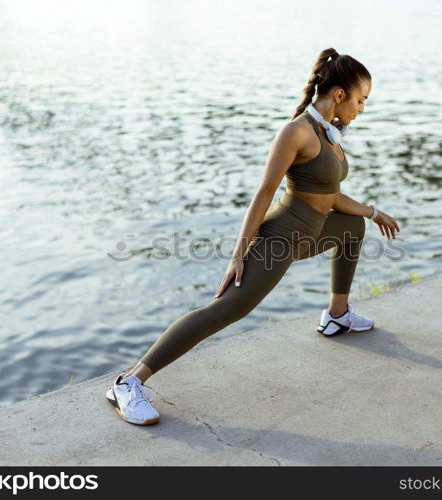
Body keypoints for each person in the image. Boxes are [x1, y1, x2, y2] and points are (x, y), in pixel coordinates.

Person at [106, 48, 401, 426]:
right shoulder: (297, 132)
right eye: (361, 100)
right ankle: (128, 383)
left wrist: (373, 212)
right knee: (227, 309)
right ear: (340, 95)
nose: (363, 108)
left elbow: (330, 197)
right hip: (280, 237)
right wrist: (238, 254)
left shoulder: (330, 135)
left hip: (308, 233)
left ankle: (338, 315)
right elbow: (264, 193)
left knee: (351, 227)